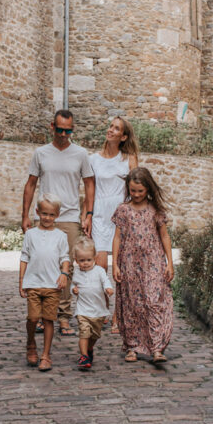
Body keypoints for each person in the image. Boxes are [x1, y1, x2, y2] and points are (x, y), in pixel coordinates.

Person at [21, 109, 95, 337]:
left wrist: (88, 214)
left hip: (70, 217)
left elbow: (90, 184)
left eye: (68, 130)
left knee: (67, 268)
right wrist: (25, 215)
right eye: (60, 129)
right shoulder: (41, 153)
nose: (64, 134)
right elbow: (31, 184)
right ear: (52, 127)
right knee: (42, 264)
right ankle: (45, 315)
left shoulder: (80, 154)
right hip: (44, 216)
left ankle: (62, 316)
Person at [111, 166, 174, 364]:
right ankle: (132, 346)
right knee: (131, 303)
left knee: (154, 301)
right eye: (133, 190)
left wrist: (170, 262)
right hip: (129, 262)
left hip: (153, 261)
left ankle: (156, 347)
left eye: (140, 191)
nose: (136, 194)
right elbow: (117, 237)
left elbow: (164, 236)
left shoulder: (156, 210)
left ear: (148, 189)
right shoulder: (123, 209)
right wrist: (114, 264)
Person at [87, 116, 139, 332]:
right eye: (110, 126)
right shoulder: (93, 159)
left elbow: (136, 188)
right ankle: (104, 311)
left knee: (121, 269)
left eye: (116, 128)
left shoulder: (129, 158)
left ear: (123, 136)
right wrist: (86, 215)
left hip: (120, 217)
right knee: (99, 268)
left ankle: (119, 315)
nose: (110, 130)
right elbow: (89, 190)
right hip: (99, 215)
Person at [19, 194, 71, 372]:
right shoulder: (31, 234)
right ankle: (31, 342)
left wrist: (64, 273)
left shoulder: (60, 236)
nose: (47, 218)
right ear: (37, 212)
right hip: (33, 283)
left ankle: (46, 355)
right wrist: (21, 281)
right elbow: (24, 257)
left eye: (51, 215)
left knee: (49, 319)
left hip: (52, 285)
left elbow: (65, 257)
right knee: (33, 318)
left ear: (57, 215)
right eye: (44, 214)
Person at [71, 237, 113, 371]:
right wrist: (74, 289)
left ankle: (89, 348)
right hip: (83, 310)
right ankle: (84, 356)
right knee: (84, 332)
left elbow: (105, 280)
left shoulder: (99, 271)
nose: (85, 263)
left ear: (94, 258)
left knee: (95, 335)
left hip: (98, 310)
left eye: (88, 260)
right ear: (76, 260)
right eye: (82, 260)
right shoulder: (76, 272)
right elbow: (73, 284)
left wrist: (108, 288)